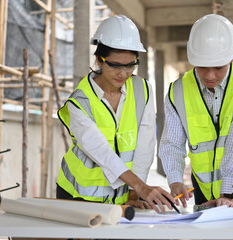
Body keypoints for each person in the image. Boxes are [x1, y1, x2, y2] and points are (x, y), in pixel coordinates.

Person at [56, 15, 175, 213]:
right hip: (78, 195)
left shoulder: (142, 90)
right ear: (99, 60)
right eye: (115, 65)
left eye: (130, 65)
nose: (123, 73)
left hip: (121, 196)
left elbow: (145, 145)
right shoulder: (80, 102)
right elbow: (102, 153)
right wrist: (140, 186)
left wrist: (133, 192)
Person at [158, 14, 233, 208]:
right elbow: (172, 143)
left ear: (231, 57)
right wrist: (175, 180)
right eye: (202, 67)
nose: (210, 75)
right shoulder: (177, 91)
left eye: (219, 67)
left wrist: (227, 193)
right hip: (201, 190)